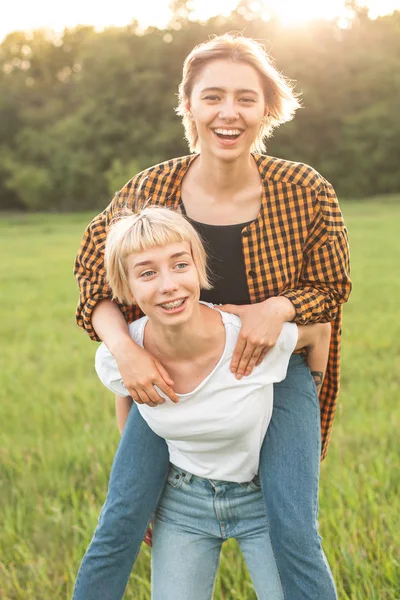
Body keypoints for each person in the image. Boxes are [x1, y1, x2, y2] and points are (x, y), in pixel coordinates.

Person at [73, 34, 351, 600]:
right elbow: (92, 282)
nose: (229, 113)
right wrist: (127, 354)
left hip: (273, 368)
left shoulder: (304, 190)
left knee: (293, 528)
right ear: (190, 106)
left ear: (267, 108)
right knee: (122, 518)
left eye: (246, 98)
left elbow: (332, 287)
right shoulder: (149, 189)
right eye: (213, 97)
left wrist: (279, 307)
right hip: (171, 371)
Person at [90, 206, 331, 600]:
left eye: (179, 265)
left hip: (263, 502)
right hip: (184, 503)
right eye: (148, 273)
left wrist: (307, 408)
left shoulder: (248, 341)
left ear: (198, 268)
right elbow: (131, 402)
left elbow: (319, 334)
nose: (168, 285)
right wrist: (142, 490)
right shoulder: (124, 354)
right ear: (127, 288)